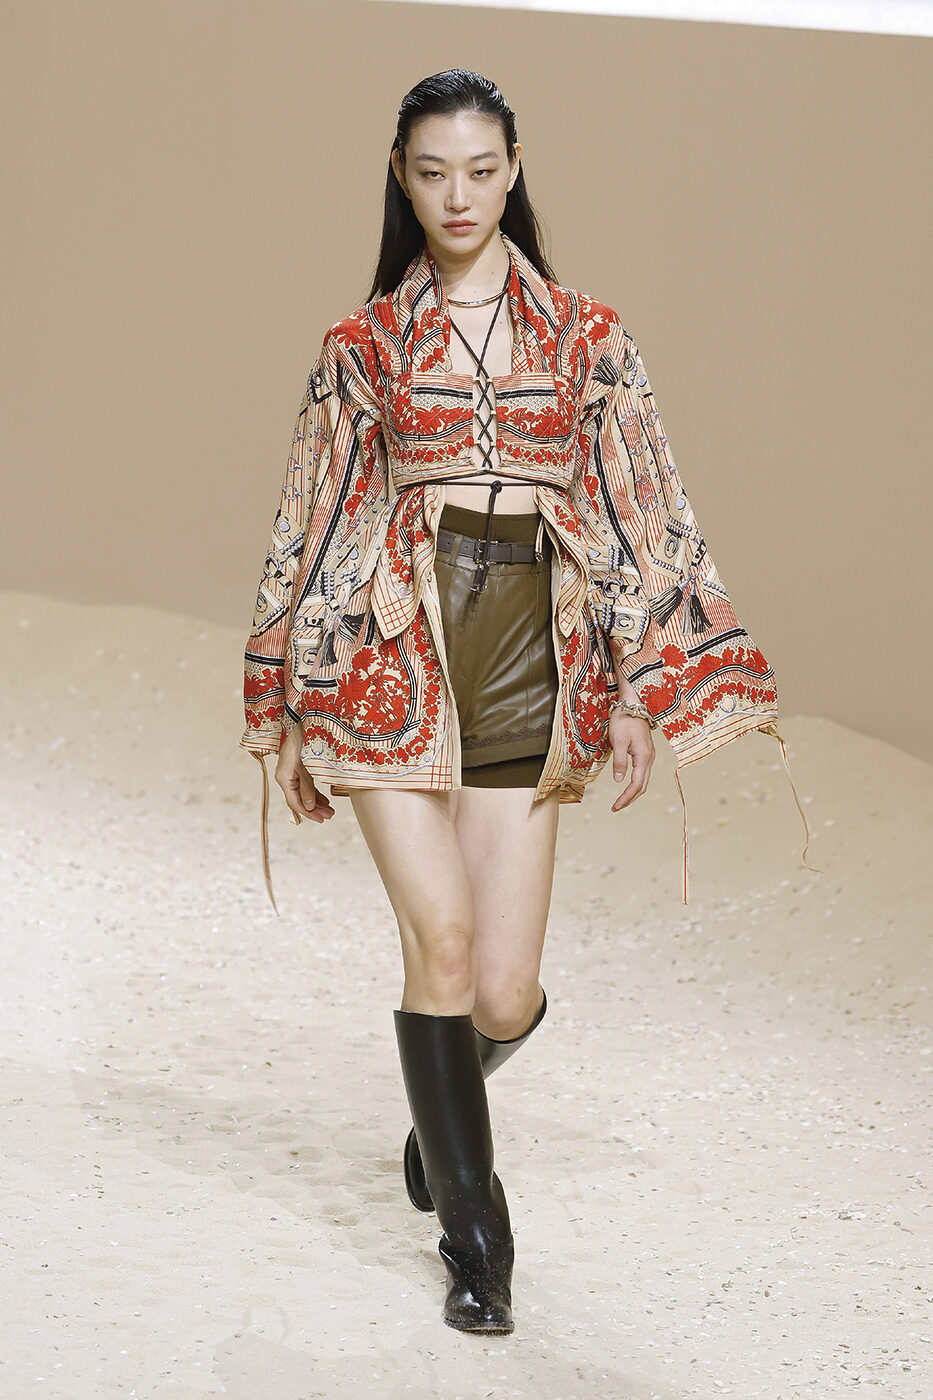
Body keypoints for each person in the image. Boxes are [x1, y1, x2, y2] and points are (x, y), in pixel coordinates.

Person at [237, 70, 816, 1336]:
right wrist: (280, 701)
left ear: (513, 169)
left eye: (480, 168)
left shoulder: (589, 338)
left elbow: (639, 509)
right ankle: (477, 1234)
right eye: (432, 171)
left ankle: (442, 1101)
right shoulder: (363, 346)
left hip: (529, 662)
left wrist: (639, 686)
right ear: (402, 177)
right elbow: (308, 517)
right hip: (388, 656)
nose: (458, 194)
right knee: (439, 943)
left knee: (500, 994)